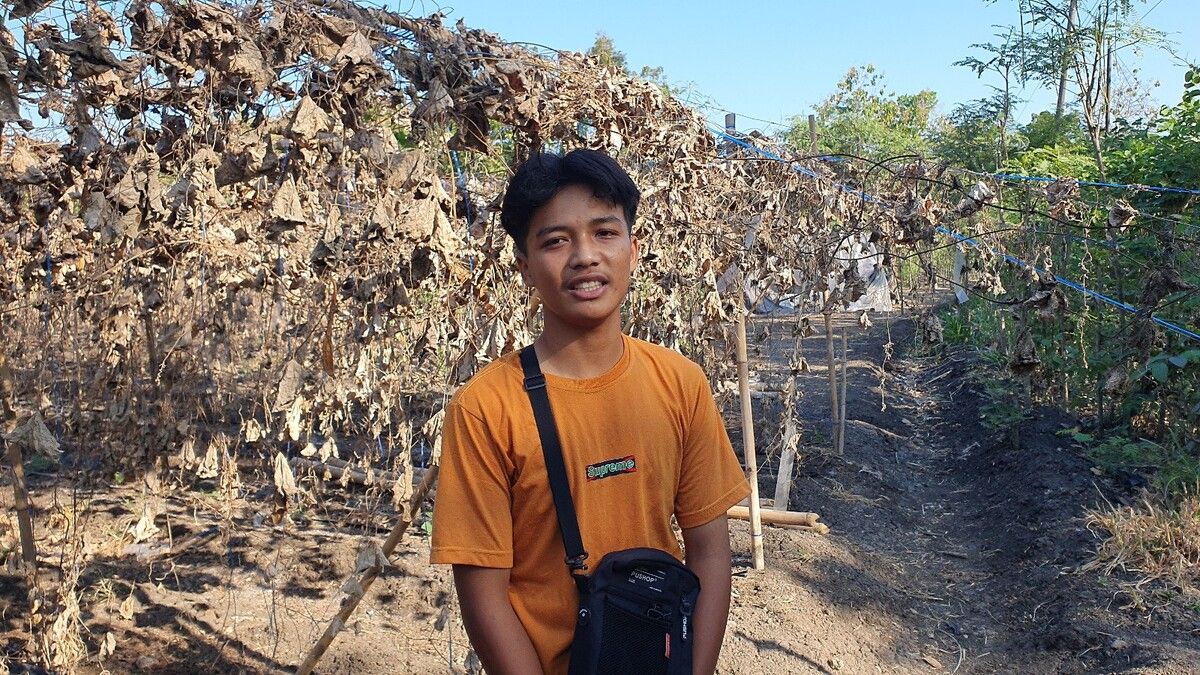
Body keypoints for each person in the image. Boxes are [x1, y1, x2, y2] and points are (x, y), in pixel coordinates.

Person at [430, 148, 750, 675]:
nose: (585, 256)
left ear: (633, 249)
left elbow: (712, 555)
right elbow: (483, 594)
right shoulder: (486, 409)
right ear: (525, 267)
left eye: (605, 232)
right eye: (556, 240)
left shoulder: (680, 384)